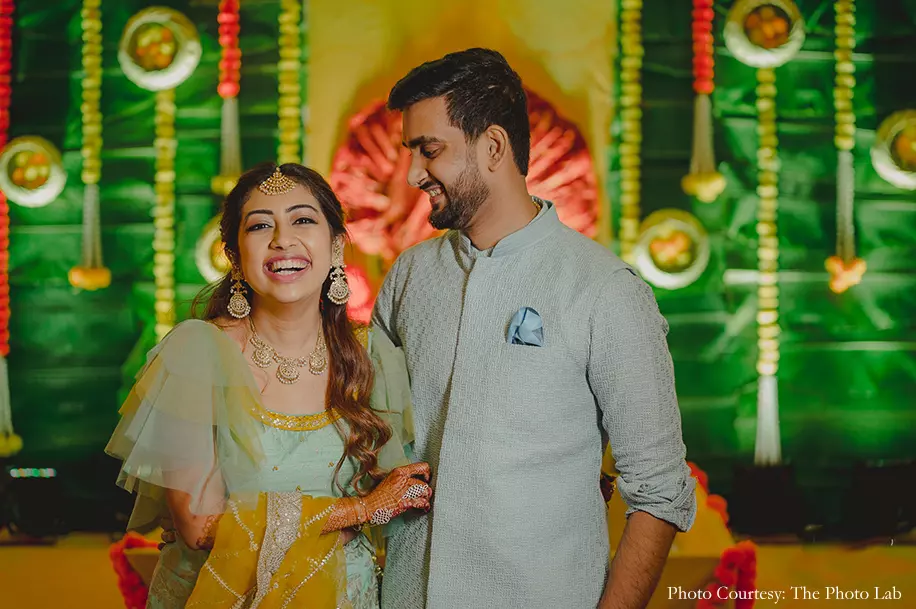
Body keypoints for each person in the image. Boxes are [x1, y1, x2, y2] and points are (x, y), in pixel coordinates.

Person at [372, 48, 697, 609]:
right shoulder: (410, 276)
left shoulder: (604, 289)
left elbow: (660, 492)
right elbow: (362, 426)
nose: (413, 174)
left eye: (430, 150)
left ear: (493, 147)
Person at [106, 162, 432, 609]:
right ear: (235, 256)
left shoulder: (372, 356)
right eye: (260, 225)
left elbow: (401, 499)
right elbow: (200, 526)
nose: (282, 239)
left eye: (303, 220)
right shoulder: (198, 354)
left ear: (336, 245)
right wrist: (360, 510)